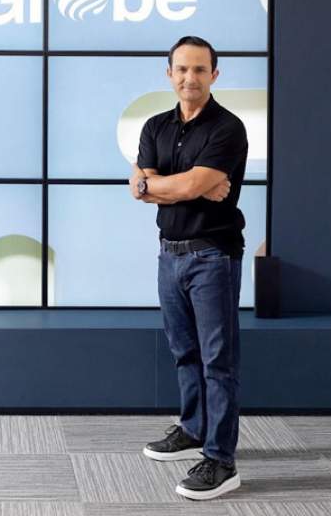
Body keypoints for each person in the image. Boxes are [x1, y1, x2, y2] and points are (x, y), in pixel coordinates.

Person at [130, 35, 248, 501]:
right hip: (170, 253)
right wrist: (172, 185)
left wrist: (163, 185)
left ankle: (221, 460)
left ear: (214, 75)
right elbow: (139, 185)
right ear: (169, 74)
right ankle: (194, 428)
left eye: (200, 69)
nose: (190, 78)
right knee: (184, 352)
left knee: (218, 361)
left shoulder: (228, 128)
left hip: (212, 255)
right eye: (182, 69)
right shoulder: (155, 126)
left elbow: (172, 186)